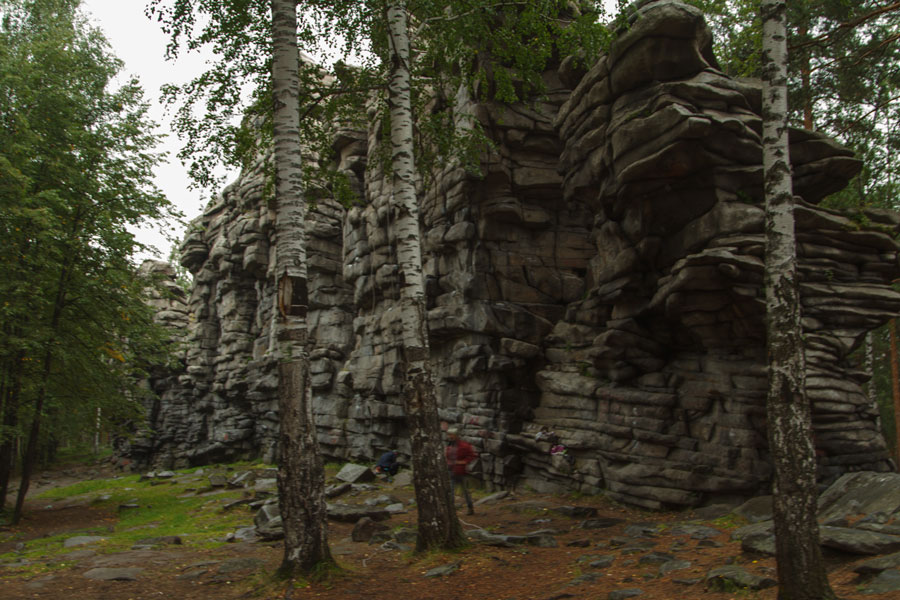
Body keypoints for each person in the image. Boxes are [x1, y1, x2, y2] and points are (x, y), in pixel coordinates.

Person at [445, 426, 477, 515]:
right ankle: (451, 511)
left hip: (461, 472)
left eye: (452, 435)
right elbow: (448, 457)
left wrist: (463, 462)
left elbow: (472, 455)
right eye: (449, 435)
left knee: (465, 492)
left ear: (456, 435)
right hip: (450, 471)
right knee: (450, 492)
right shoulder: (449, 446)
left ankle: (470, 508)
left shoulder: (464, 446)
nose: (450, 436)